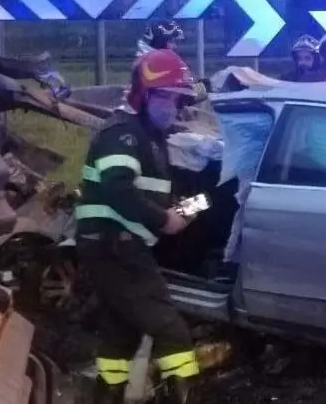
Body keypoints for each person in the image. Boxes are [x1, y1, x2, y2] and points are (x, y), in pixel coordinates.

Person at [75, 46, 204, 404]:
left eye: (179, 101)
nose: (173, 108)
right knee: (171, 331)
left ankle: (107, 395)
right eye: (167, 98)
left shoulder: (148, 136)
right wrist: (165, 220)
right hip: (115, 245)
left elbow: (158, 194)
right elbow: (119, 188)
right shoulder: (124, 134)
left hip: (111, 245)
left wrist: (204, 203)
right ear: (143, 94)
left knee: (120, 334)